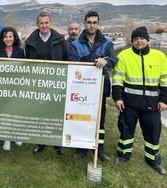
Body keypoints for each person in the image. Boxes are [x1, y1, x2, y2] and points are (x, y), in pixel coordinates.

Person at [112, 27, 167, 175]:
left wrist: (164, 100)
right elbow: (117, 79)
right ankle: (123, 155)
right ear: (132, 41)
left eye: (141, 38)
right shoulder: (124, 55)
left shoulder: (159, 56)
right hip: (129, 103)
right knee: (126, 130)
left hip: (152, 104)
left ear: (147, 39)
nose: (139, 41)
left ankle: (153, 159)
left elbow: (165, 81)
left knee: (153, 133)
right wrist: (117, 98)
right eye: (135, 39)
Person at [69, 11, 117, 161]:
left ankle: (99, 149)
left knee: (99, 119)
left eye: (94, 22)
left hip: (100, 88)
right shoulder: (75, 44)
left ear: (98, 24)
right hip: (82, 89)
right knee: (81, 118)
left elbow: (114, 60)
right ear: (84, 23)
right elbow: (72, 63)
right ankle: (81, 148)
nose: (92, 25)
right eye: (89, 22)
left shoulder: (107, 42)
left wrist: (106, 61)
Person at [25, 12, 68, 156]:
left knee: (55, 112)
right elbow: (28, 62)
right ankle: (41, 142)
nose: (44, 25)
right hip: (38, 83)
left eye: (46, 23)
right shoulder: (30, 41)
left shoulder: (60, 39)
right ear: (37, 24)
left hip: (56, 83)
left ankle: (56, 143)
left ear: (51, 23)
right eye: (41, 23)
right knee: (40, 112)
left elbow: (67, 60)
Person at [0, 26, 25, 150]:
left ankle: (17, 134)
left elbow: (24, 68)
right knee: (5, 112)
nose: (8, 39)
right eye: (5, 37)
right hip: (3, 87)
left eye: (10, 36)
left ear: (14, 38)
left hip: (17, 86)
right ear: (2, 39)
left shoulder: (20, 51)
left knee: (17, 111)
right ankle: (6, 138)